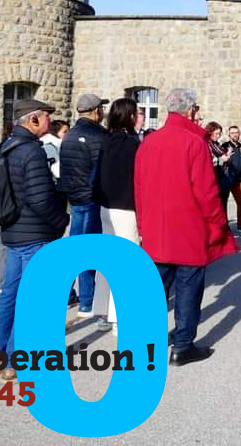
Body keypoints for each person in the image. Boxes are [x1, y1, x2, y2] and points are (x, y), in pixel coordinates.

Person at [135, 88, 238, 366]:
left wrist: (143, 224)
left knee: (156, 286)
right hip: (188, 226)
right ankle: (182, 345)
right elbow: (206, 191)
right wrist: (217, 224)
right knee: (188, 289)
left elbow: (139, 188)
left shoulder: (149, 142)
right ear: (190, 110)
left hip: (157, 226)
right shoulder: (193, 143)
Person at [0, 99, 70, 381]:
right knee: (29, 297)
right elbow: (39, 198)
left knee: (11, 294)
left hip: (13, 231)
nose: (50, 122)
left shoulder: (6, 146)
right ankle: (13, 358)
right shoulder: (31, 151)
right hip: (33, 233)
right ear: (32, 120)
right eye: (46, 116)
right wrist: (61, 222)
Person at [92, 98, 140, 336]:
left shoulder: (106, 140)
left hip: (106, 206)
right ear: (129, 116)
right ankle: (121, 317)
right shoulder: (131, 144)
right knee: (126, 263)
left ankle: (104, 309)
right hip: (125, 208)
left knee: (110, 261)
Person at [59, 93, 108, 317]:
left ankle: (82, 298)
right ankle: (90, 300)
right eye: (102, 109)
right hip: (92, 199)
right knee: (91, 251)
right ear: (96, 111)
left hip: (76, 199)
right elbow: (103, 170)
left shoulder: (69, 136)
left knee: (77, 249)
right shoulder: (99, 136)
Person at [221, 125, 241, 235]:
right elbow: (221, 160)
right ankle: (225, 227)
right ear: (229, 135)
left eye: (236, 132)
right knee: (223, 204)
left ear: (239, 134)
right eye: (233, 133)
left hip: (239, 180)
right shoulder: (224, 146)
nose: (235, 134)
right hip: (227, 179)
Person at [205, 122, 234, 223]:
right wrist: (228, 155)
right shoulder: (209, 143)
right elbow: (224, 158)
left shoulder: (216, 144)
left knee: (223, 202)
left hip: (221, 175)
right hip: (215, 176)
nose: (218, 136)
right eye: (216, 133)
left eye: (219, 134)